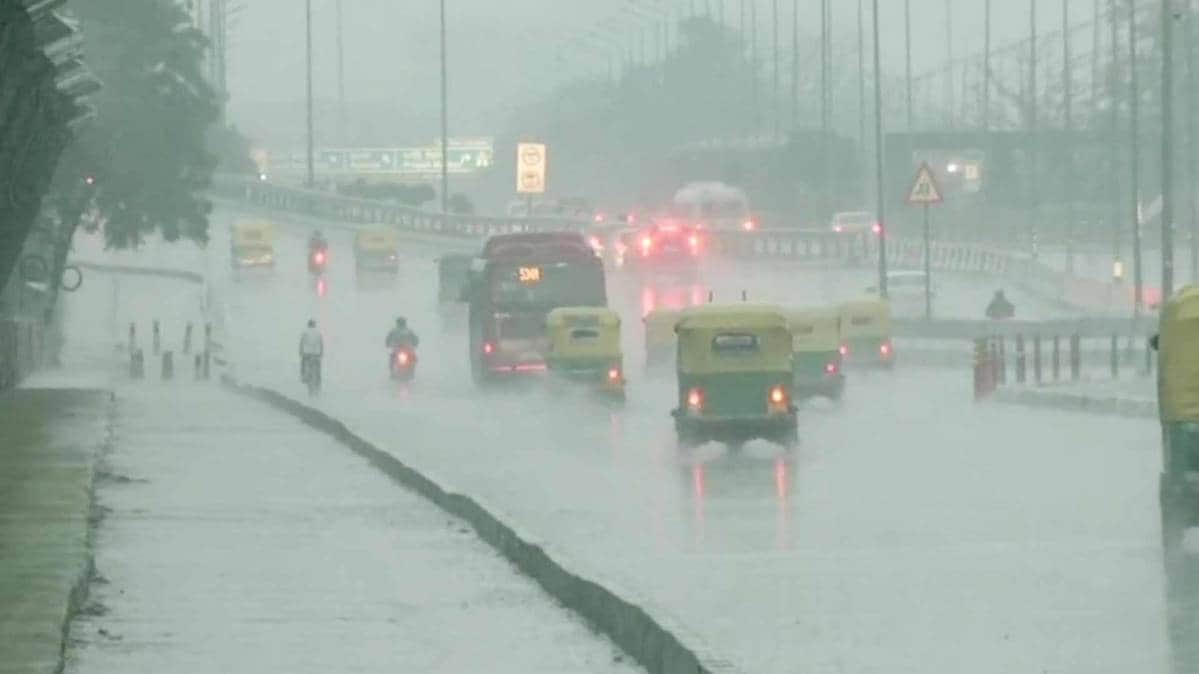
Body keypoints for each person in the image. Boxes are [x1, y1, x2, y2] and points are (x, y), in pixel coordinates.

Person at [299, 319, 324, 385]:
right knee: (317, 371)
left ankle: (304, 378)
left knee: (303, 366)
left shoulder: (305, 332)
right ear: (314, 325)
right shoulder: (319, 333)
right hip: (316, 355)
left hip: (306, 355)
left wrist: (301, 352)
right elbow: (321, 344)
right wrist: (321, 354)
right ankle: (318, 381)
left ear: (308, 324)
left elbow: (301, 343)